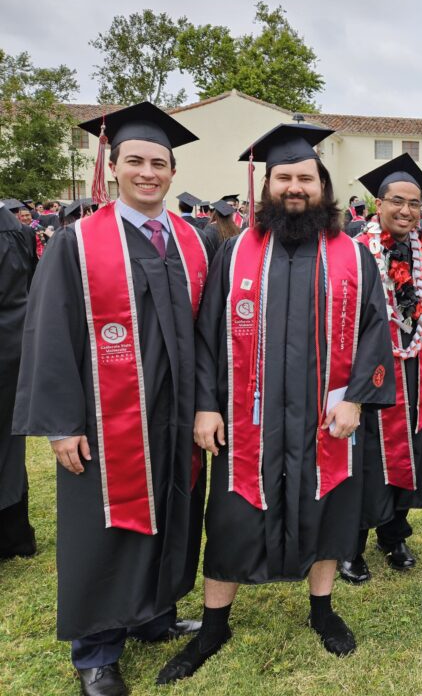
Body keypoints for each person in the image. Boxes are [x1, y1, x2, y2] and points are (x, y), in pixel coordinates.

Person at [158, 122, 396, 683]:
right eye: (284, 177)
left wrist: (358, 399)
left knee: (327, 511)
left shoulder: (352, 257)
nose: (295, 187)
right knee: (233, 517)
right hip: (249, 425)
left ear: (322, 185)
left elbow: (374, 332)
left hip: (325, 421)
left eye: (305, 178)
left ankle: (322, 610)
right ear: (267, 187)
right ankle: (215, 625)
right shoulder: (235, 251)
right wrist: (207, 406)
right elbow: (207, 334)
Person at [13, 102, 210, 696]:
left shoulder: (192, 242)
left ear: (172, 172)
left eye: (159, 163)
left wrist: (206, 403)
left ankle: (154, 613)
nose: (147, 172)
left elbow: (208, 335)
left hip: (175, 415)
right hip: (106, 418)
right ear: (114, 165)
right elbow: (48, 333)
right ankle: (96, 650)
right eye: (135, 162)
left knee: (173, 508)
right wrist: (61, 423)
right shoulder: (79, 242)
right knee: (105, 524)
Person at [338, 154, 422, 582]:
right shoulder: (356, 251)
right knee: (364, 458)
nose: (406, 210)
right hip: (367, 372)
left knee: (412, 449)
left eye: (415, 203)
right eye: (397, 201)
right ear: (377, 203)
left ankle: (394, 533)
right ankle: (352, 544)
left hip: (415, 368)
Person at [0, 200, 37, 561]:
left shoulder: (8, 230)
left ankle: (13, 537)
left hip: (6, 347)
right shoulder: (15, 228)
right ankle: (15, 536)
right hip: (13, 344)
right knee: (8, 447)